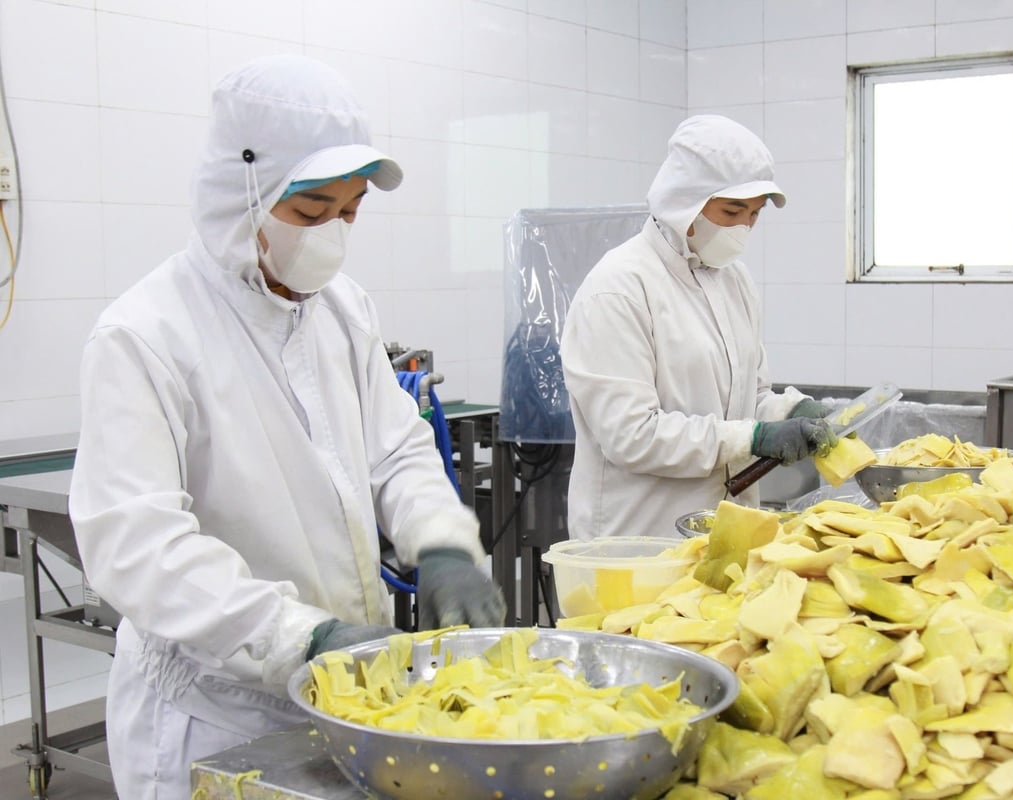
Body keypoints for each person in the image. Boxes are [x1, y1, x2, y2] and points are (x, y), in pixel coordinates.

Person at [68, 54, 505, 798]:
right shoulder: (146, 335)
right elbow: (139, 548)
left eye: (350, 211)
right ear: (240, 195)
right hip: (212, 714)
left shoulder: (342, 309)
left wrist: (441, 543)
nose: (333, 234)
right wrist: (301, 637)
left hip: (341, 696)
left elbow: (396, 450)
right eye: (310, 212)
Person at [559, 114, 837, 541]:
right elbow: (632, 435)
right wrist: (753, 436)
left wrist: (786, 411)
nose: (744, 227)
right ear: (683, 201)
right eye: (732, 211)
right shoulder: (618, 289)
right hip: (639, 541)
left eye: (755, 214)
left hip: (726, 532)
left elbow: (750, 394)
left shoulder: (733, 280)